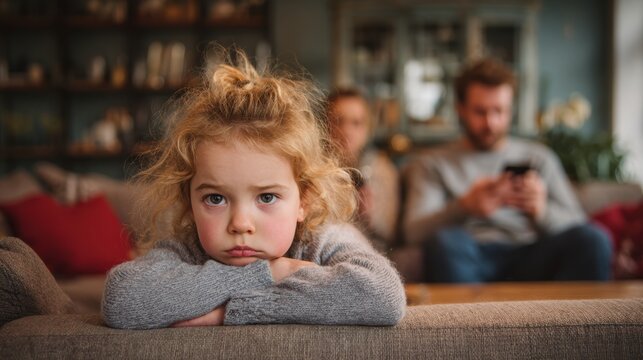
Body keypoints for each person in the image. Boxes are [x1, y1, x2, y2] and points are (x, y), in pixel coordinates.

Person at [99, 49, 406, 329]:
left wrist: (231, 312)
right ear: (189, 201)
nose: (240, 224)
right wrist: (270, 273)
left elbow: (383, 295)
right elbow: (121, 300)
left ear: (305, 199)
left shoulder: (324, 240)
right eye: (215, 198)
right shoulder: (188, 249)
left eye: (267, 197)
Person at [403, 58, 612, 283]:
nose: (491, 122)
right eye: (480, 112)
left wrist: (541, 211)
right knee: (446, 242)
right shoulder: (433, 163)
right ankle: (471, 319)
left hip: (532, 254)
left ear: (511, 110)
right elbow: (413, 232)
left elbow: (579, 224)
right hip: (470, 255)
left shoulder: (539, 157)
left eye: (499, 111)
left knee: (595, 240)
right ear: (460, 109)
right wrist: (464, 207)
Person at [326, 89, 400, 251]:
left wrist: (370, 216)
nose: (347, 131)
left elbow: (390, 234)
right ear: (324, 124)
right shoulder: (314, 168)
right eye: (338, 121)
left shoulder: (382, 170)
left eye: (356, 123)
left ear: (368, 129)